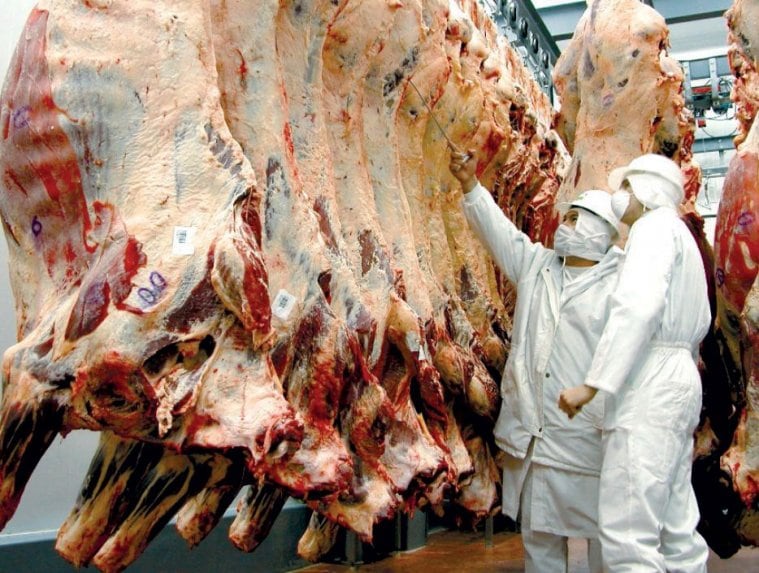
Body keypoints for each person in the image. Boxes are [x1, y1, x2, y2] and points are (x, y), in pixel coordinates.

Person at [449, 150, 622, 573]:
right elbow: (499, 233)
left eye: (575, 220)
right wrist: (470, 184)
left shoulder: (619, 285)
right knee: (541, 546)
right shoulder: (537, 266)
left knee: (608, 546)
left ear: (599, 231)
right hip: (535, 440)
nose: (564, 225)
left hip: (588, 439)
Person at [558, 153, 710, 572]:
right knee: (676, 524)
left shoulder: (652, 228)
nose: (619, 195)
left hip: (650, 381)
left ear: (647, 189)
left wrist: (592, 385)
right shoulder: (681, 235)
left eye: (626, 186)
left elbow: (637, 309)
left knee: (628, 530)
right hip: (679, 378)